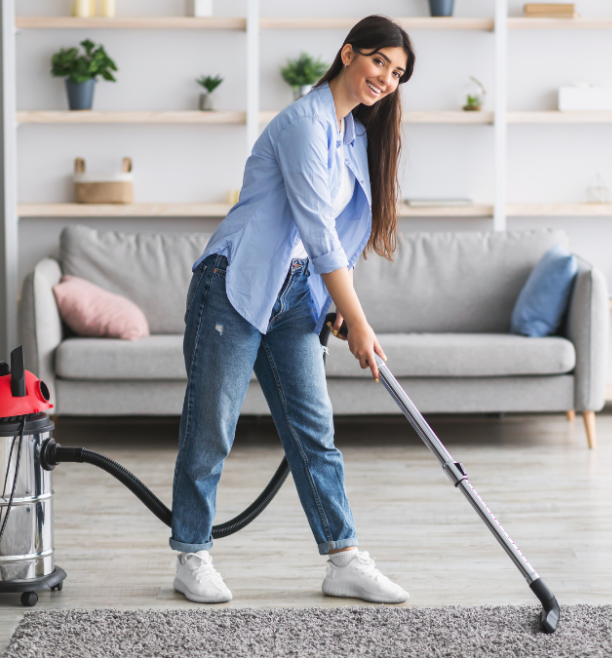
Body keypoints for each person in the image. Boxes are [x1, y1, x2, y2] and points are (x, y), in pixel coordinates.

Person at [170, 15, 416, 605]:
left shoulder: (354, 134)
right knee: (212, 427)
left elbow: (340, 242)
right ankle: (192, 555)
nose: (386, 77)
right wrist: (359, 322)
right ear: (348, 52)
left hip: (296, 293)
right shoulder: (303, 124)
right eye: (379, 61)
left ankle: (343, 558)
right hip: (235, 283)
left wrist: (335, 304)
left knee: (314, 429)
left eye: (398, 72)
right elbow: (317, 227)